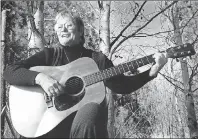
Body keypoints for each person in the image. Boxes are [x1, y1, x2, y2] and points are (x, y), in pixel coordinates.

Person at [3, 10, 167, 138]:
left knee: (91, 108)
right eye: (59, 27)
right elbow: (9, 71)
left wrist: (151, 73)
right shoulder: (50, 54)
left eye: (68, 25)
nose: (63, 30)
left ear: (81, 30)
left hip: (82, 131)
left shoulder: (97, 59)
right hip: (48, 130)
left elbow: (122, 85)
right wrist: (40, 78)